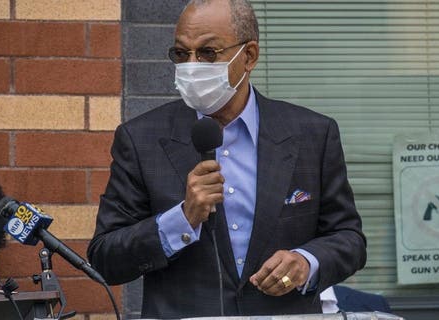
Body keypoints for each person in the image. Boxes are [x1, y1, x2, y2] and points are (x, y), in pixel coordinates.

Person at [87, 0, 366, 317]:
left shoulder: (312, 134)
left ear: (249, 56)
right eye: (181, 54)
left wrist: (306, 261)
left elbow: (349, 240)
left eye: (207, 53)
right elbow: (105, 258)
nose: (192, 66)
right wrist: (182, 219)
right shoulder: (140, 138)